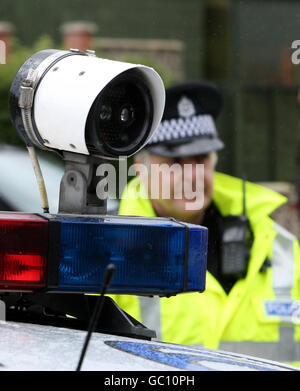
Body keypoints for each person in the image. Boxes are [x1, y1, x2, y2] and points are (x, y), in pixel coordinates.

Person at [110, 81, 300, 366]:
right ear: (141, 168)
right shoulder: (107, 251)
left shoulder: (279, 245)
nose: (192, 176)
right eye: (174, 162)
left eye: (200, 158)